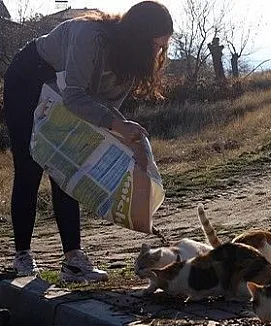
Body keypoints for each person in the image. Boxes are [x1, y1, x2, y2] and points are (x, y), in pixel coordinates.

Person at [2, 1, 173, 283]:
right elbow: (75, 96)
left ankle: (73, 262)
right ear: (138, 37)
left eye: (163, 46)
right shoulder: (88, 35)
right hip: (28, 79)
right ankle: (22, 255)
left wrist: (131, 145)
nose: (159, 53)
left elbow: (105, 113)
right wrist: (118, 126)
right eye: (156, 45)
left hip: (66, 95)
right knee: (30, 166)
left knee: (67, 169)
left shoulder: (130, 63)